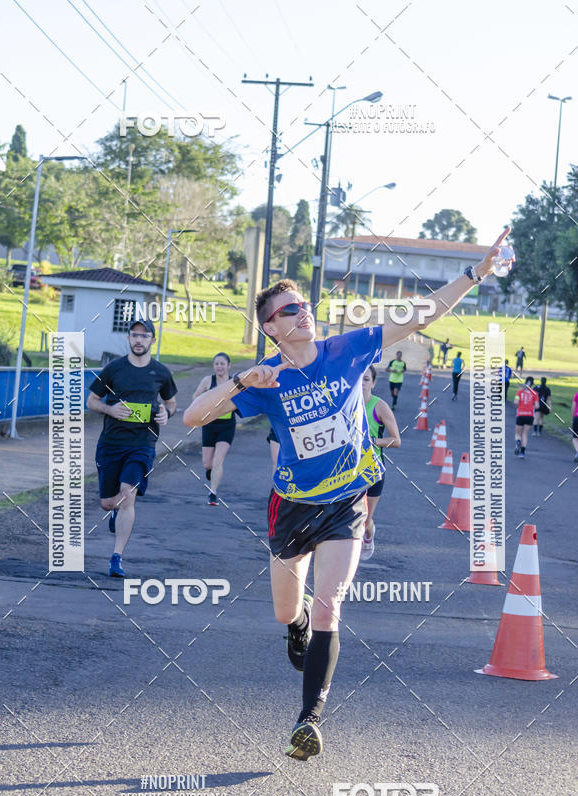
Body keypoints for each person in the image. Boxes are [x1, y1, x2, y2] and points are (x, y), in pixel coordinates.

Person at [183, 227, 509, 762]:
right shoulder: (265, 381)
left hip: (346, 502)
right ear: (270, 327)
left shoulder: (348, 348)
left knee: (331, 603)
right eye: (288, 311)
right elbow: (195, 417)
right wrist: (244, 380)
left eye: (303, 305)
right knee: (288, 610)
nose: (301, 313)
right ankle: (296, 625)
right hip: (291, 507)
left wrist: (476, 271)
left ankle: (308, 720)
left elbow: (421, 314)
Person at [87, 319, 177, 577]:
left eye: (144, 335)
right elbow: (91, 400)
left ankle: (116, 558)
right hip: (112, 443)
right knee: (107, 503)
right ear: (128, 338)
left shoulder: (160, 372)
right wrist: (109, 408)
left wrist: (166, 415)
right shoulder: (114, 369)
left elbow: (171, 403)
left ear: (152, 340)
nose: (139, 340)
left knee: (128, 493)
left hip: (142, 443)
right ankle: (114, 513)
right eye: (135, 335)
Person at [360, 366, 401, 560]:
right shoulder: (343, 405)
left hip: (372, 468)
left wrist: (372, 441)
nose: (361, 384)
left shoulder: (379, 406)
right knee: (346, 516)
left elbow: (396, 440)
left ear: (374, 383)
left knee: (365, 518)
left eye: (366, 379)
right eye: (358, 379)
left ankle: (369, 534)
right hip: (345, 470)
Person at [192, 352, 237, 505]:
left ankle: (213, 493)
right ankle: (212, 472)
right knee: (208, 464)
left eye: (222, 364)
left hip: (227, 425)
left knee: (218, 460)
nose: (219, 367)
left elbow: (243, 399)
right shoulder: (208, 380)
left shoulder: (233, 382)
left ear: (228, 366)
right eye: (217, 364)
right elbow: (195, 397)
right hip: (209, 424)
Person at [514, 375, 539, 459]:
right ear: (533, 384)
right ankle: (522, 453)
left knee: (518, 433)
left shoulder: (519, 392)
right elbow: (537, 406)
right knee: (525, 434)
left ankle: (518, 442)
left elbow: (516, 402)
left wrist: (521, 403)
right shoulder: (535, 393)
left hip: (520, 414)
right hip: (530, 416)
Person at [571, 389, 578, 462]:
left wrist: (572, 418)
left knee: (575, 437)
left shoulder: (577, 394)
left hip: (577, 417)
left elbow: (573, 408)